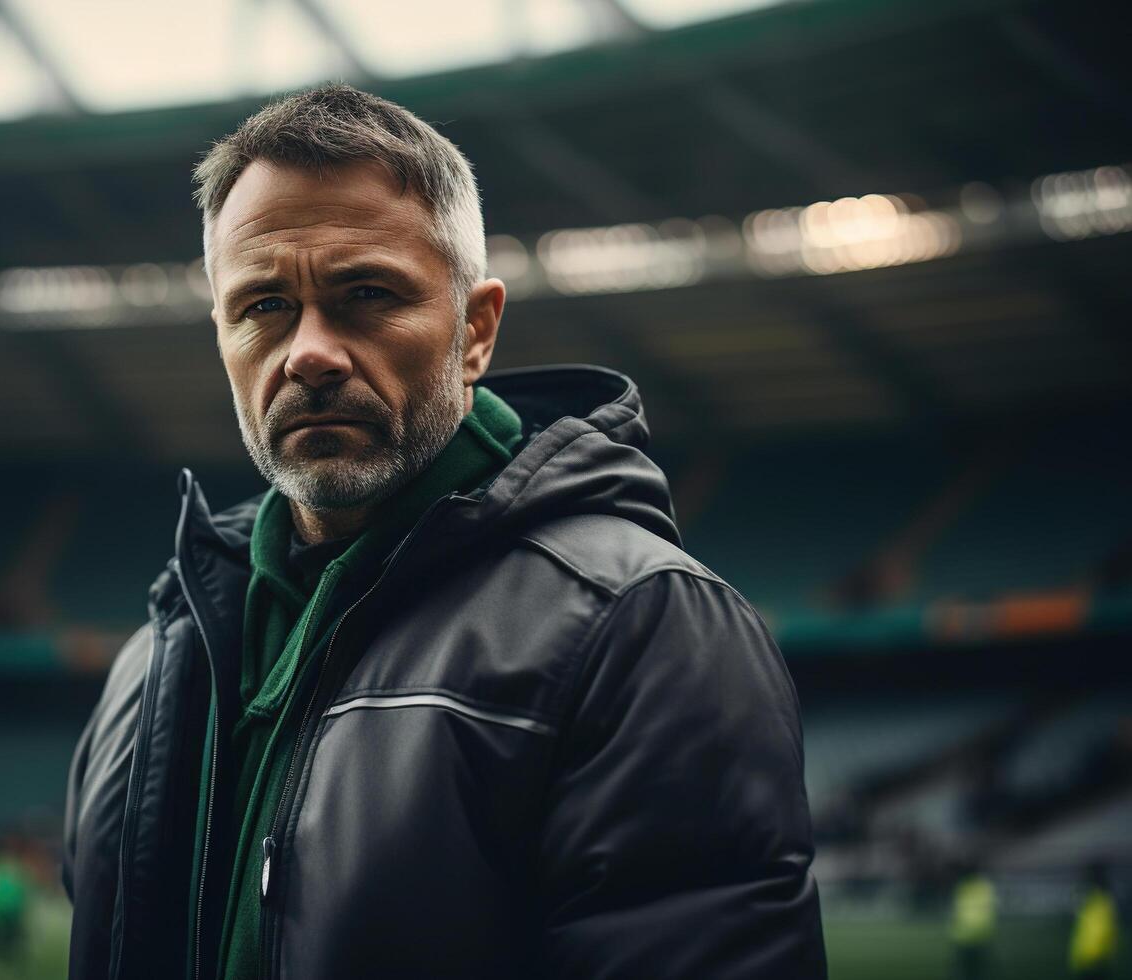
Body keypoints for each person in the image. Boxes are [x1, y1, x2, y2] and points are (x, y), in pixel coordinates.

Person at [63, 82, 825, 980]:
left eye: (366, 293)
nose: (308, 351)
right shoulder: (158, 658)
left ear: (476, 331)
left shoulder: (643, 626)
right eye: (263, 305)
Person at [1069, 861, 1118, 980]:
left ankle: (1096, 873)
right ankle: (1097, 873)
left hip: (1092, 954)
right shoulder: (1101, 902)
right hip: (1094, 952)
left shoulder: (1098, 902)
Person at [949, 859, 997, 980]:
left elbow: (959, 910)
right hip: (979, 934)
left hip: (965, 934)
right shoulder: (984, 887)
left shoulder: (964, 887)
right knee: (977, 967)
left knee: (966, 967)